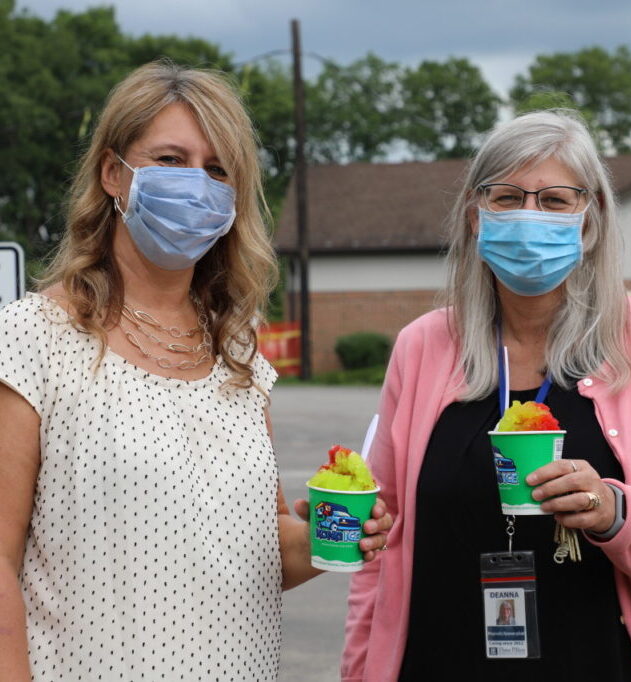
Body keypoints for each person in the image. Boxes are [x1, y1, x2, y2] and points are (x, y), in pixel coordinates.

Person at [0, 61, 391, 681]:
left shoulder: (241, 358)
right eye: (171, 160)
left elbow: (260, 553)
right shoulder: (32, 338)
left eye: (216, 170)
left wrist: (332, 531)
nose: (195, 184)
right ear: (112, 174)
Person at [342, 110, 631, 681]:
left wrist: (614, 510)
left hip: (599, 662)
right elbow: (380, 541)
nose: (530, 216)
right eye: (507, 197)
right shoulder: (423, 347)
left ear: (591, 218)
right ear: (476, 216)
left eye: (554, 200)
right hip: (440, 660)